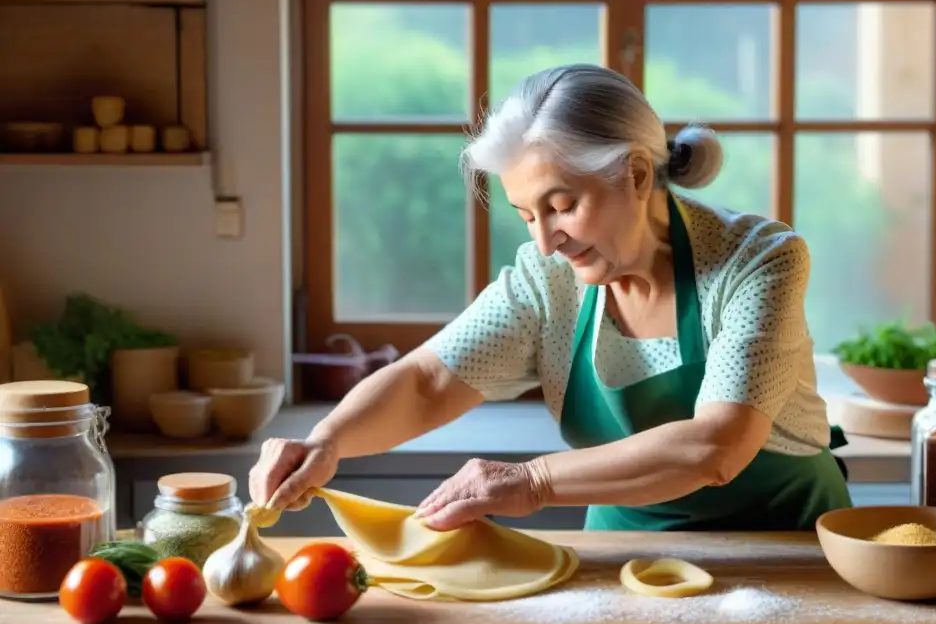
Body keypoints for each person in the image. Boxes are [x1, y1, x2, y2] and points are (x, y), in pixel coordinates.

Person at [249, 63, 853, 534]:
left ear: (638, 175)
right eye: (525, 214)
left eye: (562, 206)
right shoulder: (547, 283)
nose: (544, 241)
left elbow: (714, 448)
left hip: (784, 549)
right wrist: (325, 442)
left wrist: (532, 480)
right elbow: (429, 380)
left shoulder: (757, 260)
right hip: (627, 553)